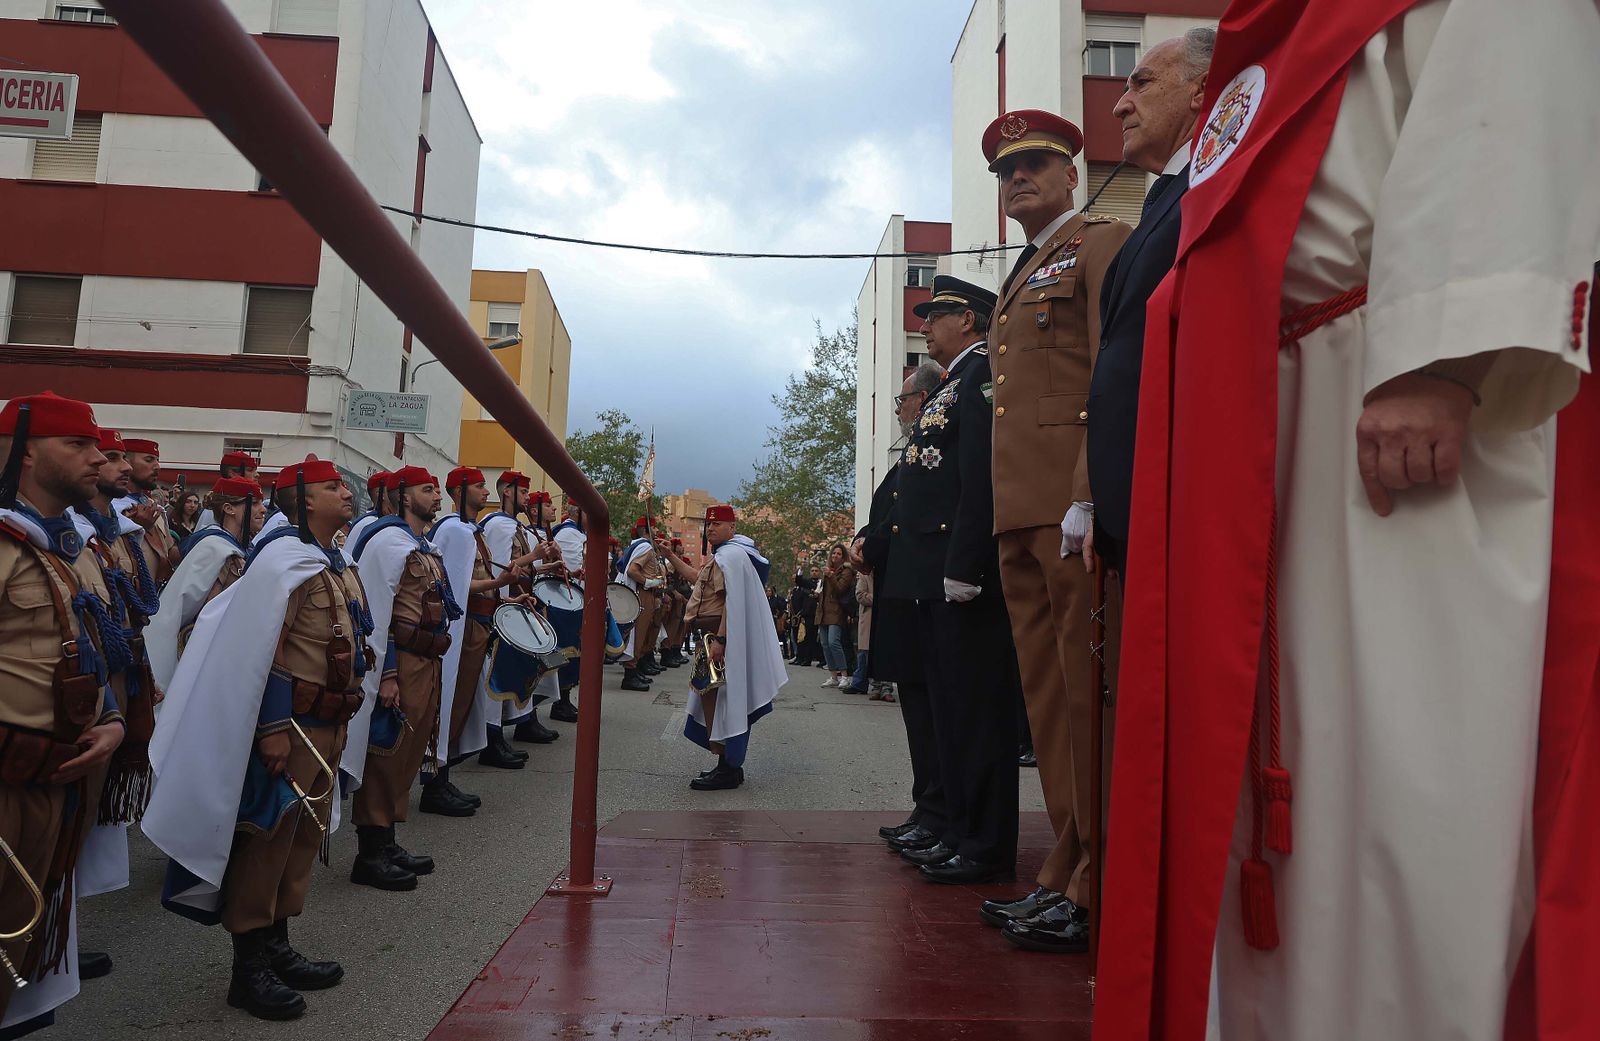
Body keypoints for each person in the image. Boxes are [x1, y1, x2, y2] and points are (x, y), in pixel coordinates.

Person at [1094, 3, 1600, 1040]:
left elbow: (1505, 107)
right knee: (1301, 793)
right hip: (1279, 406)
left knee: (1398, 780)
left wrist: (1442, 361)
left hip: (1383, 393)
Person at [979, 107, 1131, 946]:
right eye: (1007, 170)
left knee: (1085, 696)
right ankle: (1065, 863)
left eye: (1035, 163)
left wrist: (1089, 491)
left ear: (1072, 171)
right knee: (1047, 700)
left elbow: (1111, 371)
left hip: (1071, 512)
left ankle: (1097, 879)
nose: (1019, 178)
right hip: (1019, 514)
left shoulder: (1101, 244)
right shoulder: (1021, 272)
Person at [144, 458, 366, 1021]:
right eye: (331, 487)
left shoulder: (331, 562)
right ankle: (248, 969)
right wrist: (270, 728)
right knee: (265, 843)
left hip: (329, 724)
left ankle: (278, 945)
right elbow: (262, 648)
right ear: (304, 500)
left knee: (298, 844)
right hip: (290, 729)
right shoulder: (282, 562)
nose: (345, 492)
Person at [881, 276, 1023, 886]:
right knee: (947, 711)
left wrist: (964, 567)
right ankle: (955, 826)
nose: (924, 327)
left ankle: (984, 843)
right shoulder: (950, 386)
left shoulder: (980, 379)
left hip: (959, 573)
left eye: (935, 317)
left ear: (968, 320)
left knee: (975, 714)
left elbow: (978, 482)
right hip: (932, 575)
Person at [0, 392, 125, 1035]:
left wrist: (113, 721)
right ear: (24, 454)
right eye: (77, 445)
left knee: (19, 938)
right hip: (6, 778)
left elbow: (90, 650)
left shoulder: (68, 547)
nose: (98, 458)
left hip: (59, 776)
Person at [1083, 29, 1212, 579]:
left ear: (1200, 92)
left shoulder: (1214, 187)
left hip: (1188, 491)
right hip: (1135, 500)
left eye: (1142, 82)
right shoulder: (1169, 194)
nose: (1119, 103)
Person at [344, 466, 457, 892]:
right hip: (402, 661)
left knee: (409, 751)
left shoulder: (421, 545)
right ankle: (369, 852)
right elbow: (378, 614)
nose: (437, 496)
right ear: (404, 496)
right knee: (386, 751)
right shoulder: (388, 542)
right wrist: (386, 672)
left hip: (427, 659)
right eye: (428, 490)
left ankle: (388, 839)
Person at [854, 361, 947, 844]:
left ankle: (936, 812)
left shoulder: (928, 449)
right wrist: (863, 541)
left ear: (924, 399)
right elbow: (887, 516)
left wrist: (871, 545)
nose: (896, 410)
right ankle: (926, 806)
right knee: (917, 708)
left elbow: (903, 519)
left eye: (901, 400)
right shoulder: (908, 454)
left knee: (931, 713)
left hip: (920, 595)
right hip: (901, 593)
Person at [422, 466, 519, 814]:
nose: (485, 491)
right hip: (463, 629)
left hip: (478, 622)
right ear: (460, 492)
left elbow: (475, 579)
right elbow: (455, 587)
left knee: (461, 703)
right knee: (452, 701)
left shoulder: (470, 531)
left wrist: (505, 599)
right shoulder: (455, 531)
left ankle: (442, 777)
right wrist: (497, 586)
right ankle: (435, 782)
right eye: (479, 486)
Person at [677, 504, 786, 791]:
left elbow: (730, 603)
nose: (711, 528)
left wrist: (721, 641)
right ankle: (727, 764)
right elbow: (699, 582)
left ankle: (728, 768)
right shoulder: (728, 556)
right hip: (713, 638)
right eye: (708, 525)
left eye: (718, 524)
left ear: (732, 528)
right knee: (712, 697)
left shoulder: (731, 556)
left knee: (721, 699)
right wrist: (669, 556)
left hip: (719, 640)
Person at [146, 477, 266, 691]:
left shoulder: (239, 547)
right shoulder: (214, 548)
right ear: (229, 509)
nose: (262, 509)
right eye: (254, 503)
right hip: (208, 658)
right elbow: (203, 613)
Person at [114, 437, 180, 587]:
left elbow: (169, 551)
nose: (157, 466)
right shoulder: (113, 508)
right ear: (127, 463)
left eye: (157, 460)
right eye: (149, 460)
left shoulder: (152, 505)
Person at [616, 517, 665, 692]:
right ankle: (629, 675)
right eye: (654, 527)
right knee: (637, 634)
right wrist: (649, 582)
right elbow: (632, 570)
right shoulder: (645, 546)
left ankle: (634, 670)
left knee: (641, 634)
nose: (657, 530)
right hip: (642, 594)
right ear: (646, 529)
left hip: (644, 594)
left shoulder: (641, 545)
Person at [814, 545, 854, 688]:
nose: (835, 556)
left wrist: (830, 576)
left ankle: (844, 675)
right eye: (834, 553)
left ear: (843, 557)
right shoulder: (827, 571)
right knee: (825, 644)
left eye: (838, 554)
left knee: (833, 642)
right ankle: (833, 676)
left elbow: (840, 590)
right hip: (824, 611)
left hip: (837, 611)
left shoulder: (847, 571)